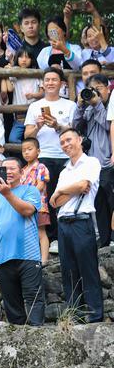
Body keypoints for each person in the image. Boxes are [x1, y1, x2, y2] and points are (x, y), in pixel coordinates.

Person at [0, 158, 44, 326]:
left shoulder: (30, 190)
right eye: (4, 169)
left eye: (12, 168)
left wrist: (7, 194)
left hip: (28, 255)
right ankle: (19, 341)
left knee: (34, 298)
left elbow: (27, 210)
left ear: (21, 172)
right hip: (2, 257)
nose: (8, 172)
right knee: (11, 304)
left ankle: (37, 335)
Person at [50, 128, 103, 322]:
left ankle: (95, 317)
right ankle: (75, 317)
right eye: (62, 142)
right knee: (69, 273)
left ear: (79, 140)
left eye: (68, 140)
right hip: (63, 224)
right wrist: (67, 191)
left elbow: (83, 186)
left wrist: (61, 191)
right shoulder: (65, 171)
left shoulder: (91, 162)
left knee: (88, 271)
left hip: (81, 221)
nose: (65, 144)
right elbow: (54, 203)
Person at [24, 68, 77, 240]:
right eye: (47, 80)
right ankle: (51, 237)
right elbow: (27, 136)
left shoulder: (70, 105)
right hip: (44, 156)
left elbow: (75, 132)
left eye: (54, 80)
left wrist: (57, 126)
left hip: (66, 157)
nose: (50, 83)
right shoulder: (34, 106)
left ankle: (66, 235)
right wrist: (38, 126)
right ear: (42, 83)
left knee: (64, 194)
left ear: (62, 84)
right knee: (45, 197)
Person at [73, 73, 113, 247]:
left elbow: (106, 124)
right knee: (99, 205)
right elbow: (75, 127)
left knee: (111, 202)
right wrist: (80, 106)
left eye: (99, 88)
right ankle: (104, 242)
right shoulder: (89, 107)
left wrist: (97, 105)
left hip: (107, 163)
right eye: (91, 89)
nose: (95, 93)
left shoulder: (109, 106)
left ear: (108, 88)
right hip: (92, 166)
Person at [20, 138, 53, 262]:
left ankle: (44, 260)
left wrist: (26, 195)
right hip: (24, 206)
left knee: (41, 232)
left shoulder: (41, 167)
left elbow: (40, 185)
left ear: (38, 151)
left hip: (39, 205)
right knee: (28, 233)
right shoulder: (22, 170)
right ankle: (32, 259)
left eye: (30, 149)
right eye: (24, 150)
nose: (26, 152)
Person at [4, 47, 43, 144]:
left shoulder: (37, 74)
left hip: (35, 113)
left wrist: (33, 95)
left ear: (32, 59)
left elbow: (42, 93)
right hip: (19, 114)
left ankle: (33, 153)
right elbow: (10, 88)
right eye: (21, 57)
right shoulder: (15, 73)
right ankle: (26, 153)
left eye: (27, 57)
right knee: (13, 139)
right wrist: (7, 71)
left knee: (37, 137)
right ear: (17, 59)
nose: (24, 60)